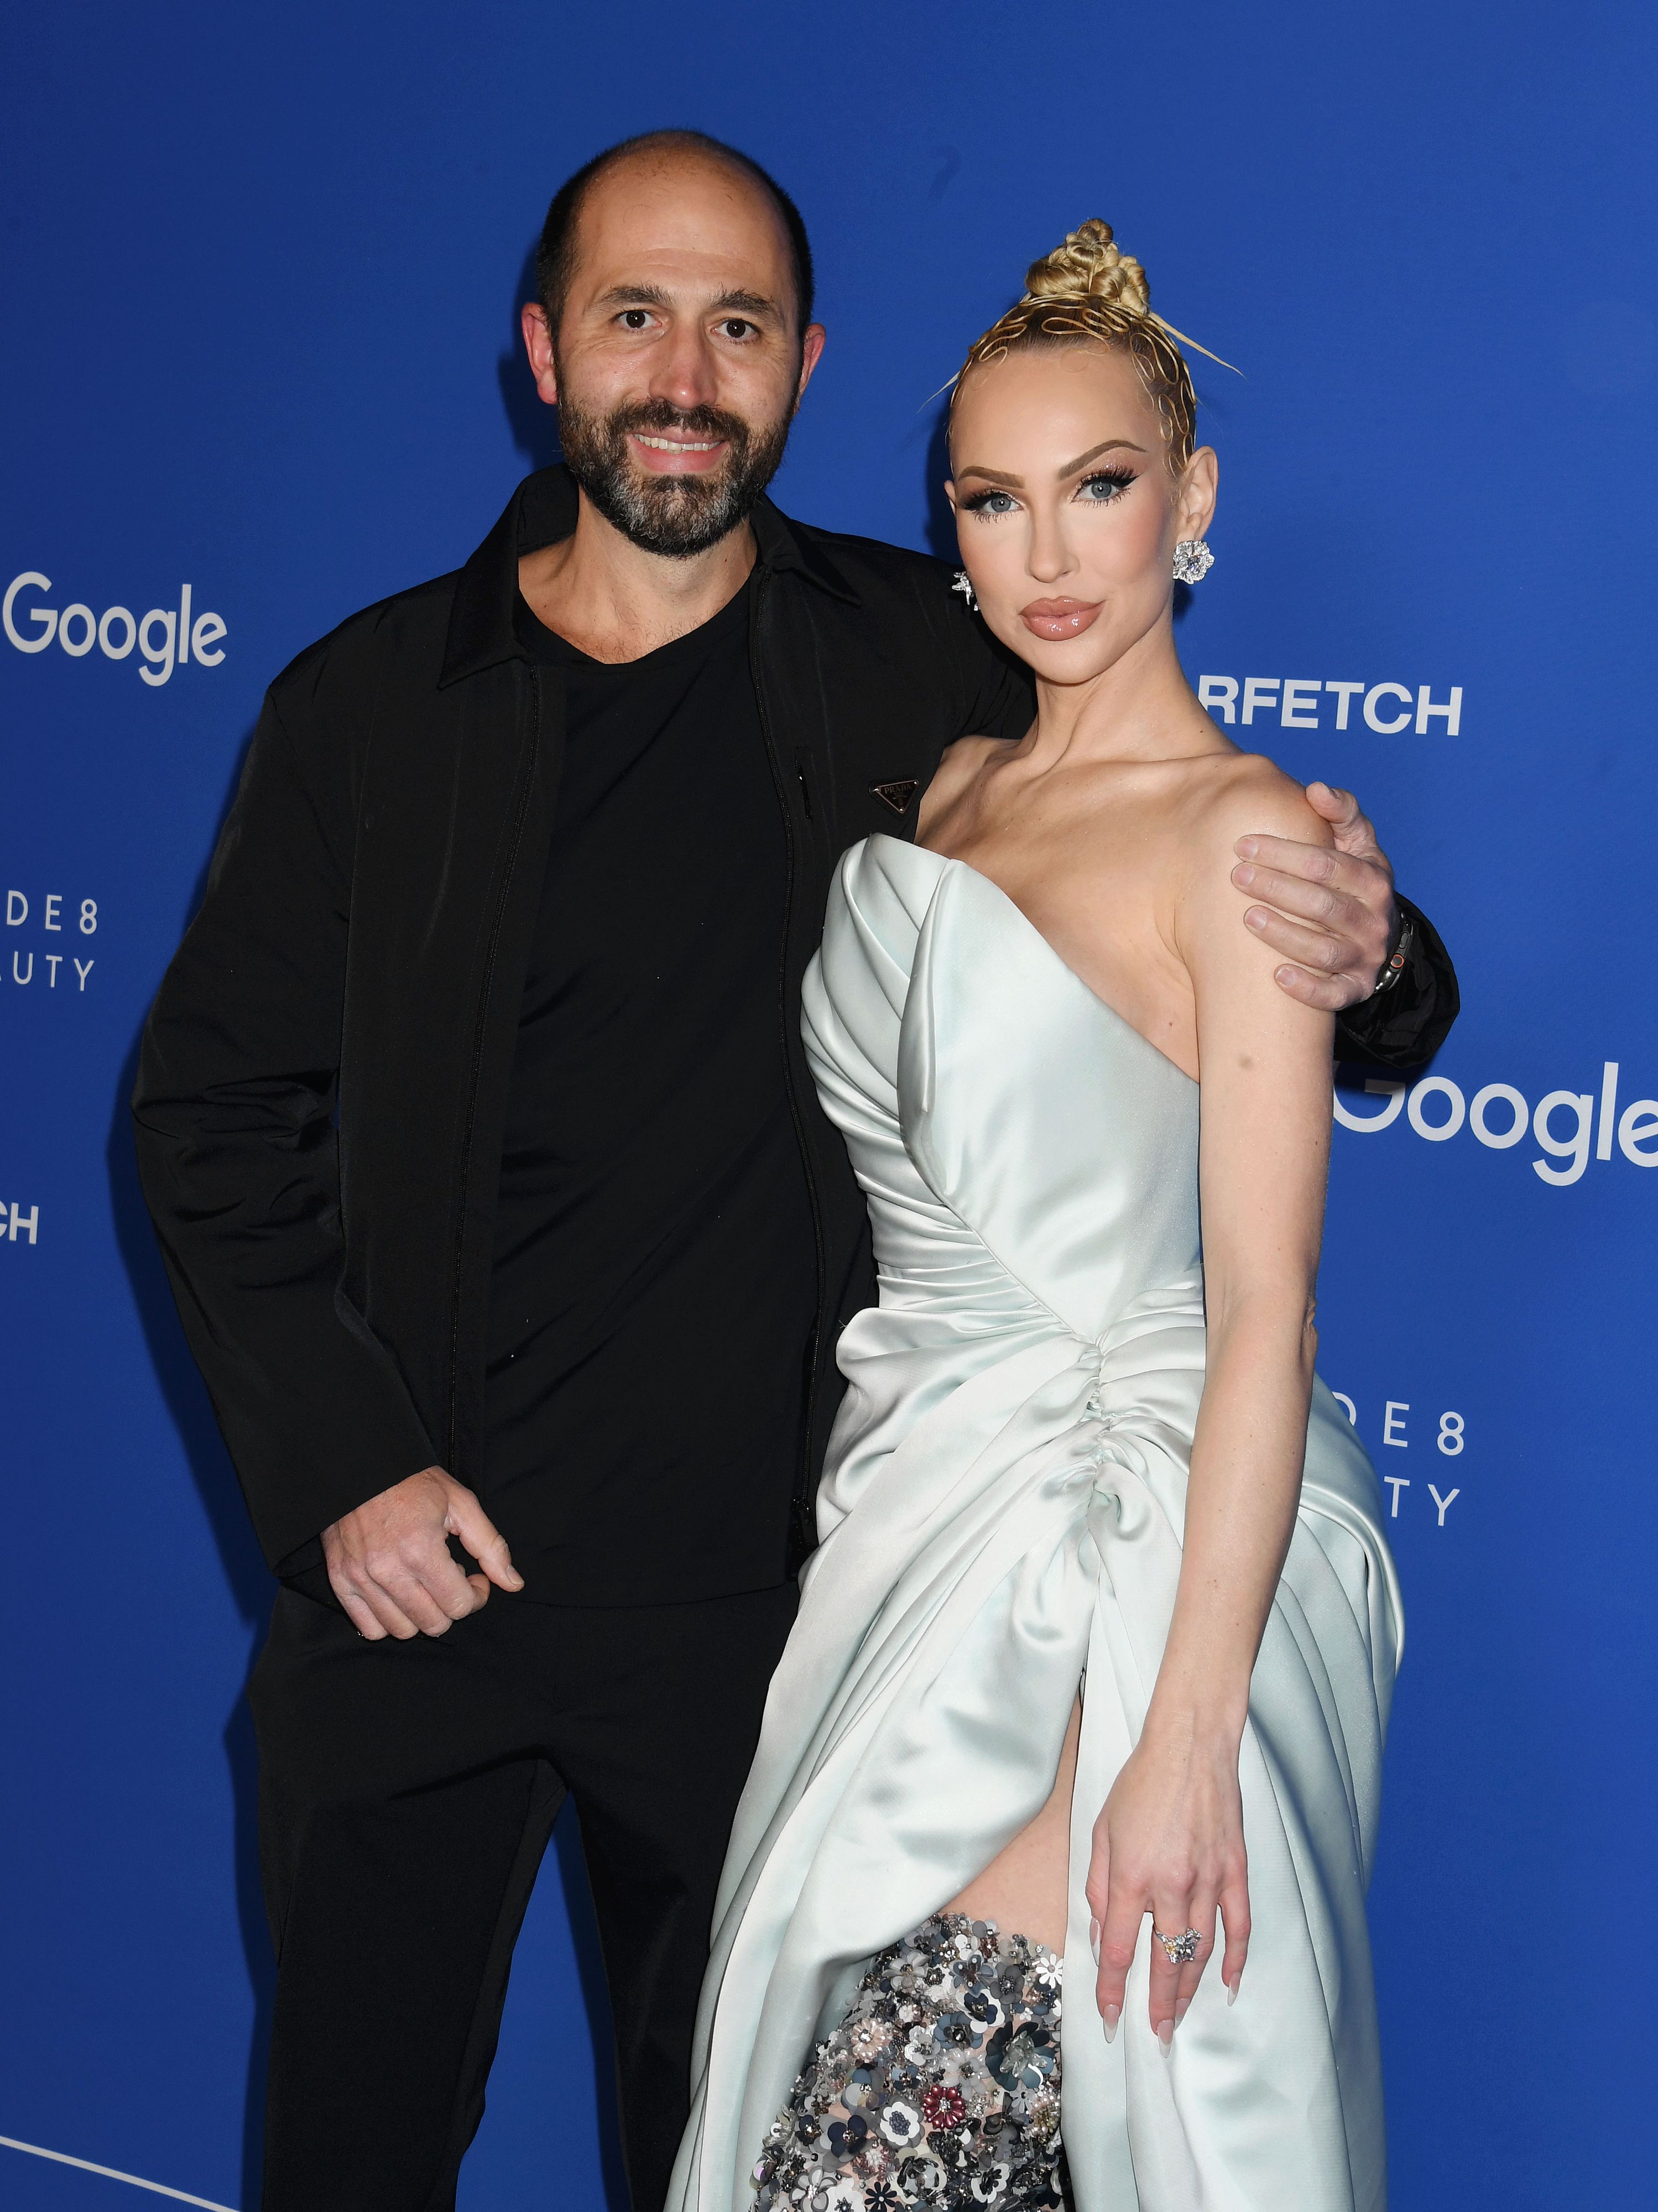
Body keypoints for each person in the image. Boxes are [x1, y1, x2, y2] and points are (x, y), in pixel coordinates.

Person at [132, 134, 1447, 2212]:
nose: (683, 368)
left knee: (726, 2159)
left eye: (736, 324)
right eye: (635, 316)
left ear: (805, 366)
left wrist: (1376, 949)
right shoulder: (366, 707)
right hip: (424, 1608)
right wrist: (343, 1472)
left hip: (774, 1624)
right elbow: (201, 1120)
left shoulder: (929, 659)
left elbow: (1212, 906)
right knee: (346, 2160)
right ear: (545, 350)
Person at [670, 221, 1404, 2212]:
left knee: (900, 2147)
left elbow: (1266, 1310)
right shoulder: (954, 794)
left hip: (1117, 1553)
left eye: (1101, 487)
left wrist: (1178, 1745)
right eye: (992, 501)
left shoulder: (1247, 837)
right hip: (914, 1515)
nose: (1049, 555)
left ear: (1194, 499)